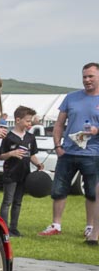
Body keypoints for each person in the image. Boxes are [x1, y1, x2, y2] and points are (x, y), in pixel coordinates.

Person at [39, 62, 99, 240]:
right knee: (59, 189)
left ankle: (90, 227)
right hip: (68, 152)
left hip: (93, 153)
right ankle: (55, 224)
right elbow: (59, 124)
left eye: (91, 76)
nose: (87, 80)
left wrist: (96, 130)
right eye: (84, 77)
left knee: (92, 192)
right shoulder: (71, 97)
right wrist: (58, 146)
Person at [0, 106, 45, 236]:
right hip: (10, 174)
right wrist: (11, 153)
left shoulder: (30, 137)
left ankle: (14, 228)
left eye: (31, 121)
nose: (30, 124)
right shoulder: (8, 137)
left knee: (18, 202)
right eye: (27, 121)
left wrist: (38, 164)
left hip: (24, 174)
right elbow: (1, 156)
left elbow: (31, 155)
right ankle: (4, 229)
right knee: (7, 201)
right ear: (18, 120)